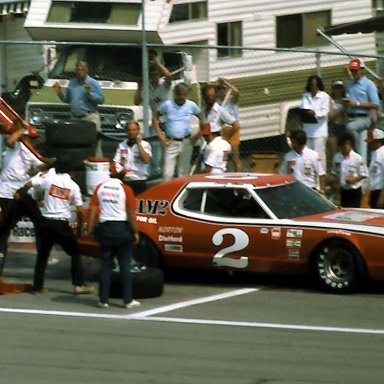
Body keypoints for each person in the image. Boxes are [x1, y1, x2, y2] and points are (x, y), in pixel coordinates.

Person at [15, 155, 95, 294]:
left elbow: (29, 184)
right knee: (75, 253)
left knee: (43, 255)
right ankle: (78, 285)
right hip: (61, 224)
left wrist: (19, 193)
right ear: (71, 171)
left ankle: (37, 286)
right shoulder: (73, 186)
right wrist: (81, 227)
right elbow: (80, 210)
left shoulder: (49, 179)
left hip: (45, 222)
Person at [87, 172, 141, 309]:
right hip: (121, 229)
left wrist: (90, 229)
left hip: (105, 228)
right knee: (125, 265)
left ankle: (103, 300)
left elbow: (93, 209)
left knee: (105, 265)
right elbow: (130, 212)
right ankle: (128, 300)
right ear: (122, 178)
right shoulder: (126, 189)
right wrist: (135, 231)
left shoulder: (100, 187)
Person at [0, 123, 48, 269]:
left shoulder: (30, 152)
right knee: (4, 230)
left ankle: (42, 261)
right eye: (30, 138)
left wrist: (49, 164)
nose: (32, 141)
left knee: (40, 223)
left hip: (23, 192)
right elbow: (9, 141)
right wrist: (21, 129)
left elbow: (40, 165)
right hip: (7, 192)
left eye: (33, 139)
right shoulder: (15, 147)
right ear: (23, 137)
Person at [52, 60, 105, 156]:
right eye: (78, 69)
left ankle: (97, 162)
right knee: (75, 142)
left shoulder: (93, 83)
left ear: (87, 70)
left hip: (90, 117)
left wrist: (89, 93)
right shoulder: (72, 83)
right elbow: (67, 99)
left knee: (95, 142)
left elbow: (101, 100)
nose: (80, 71)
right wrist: (59, 92)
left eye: (82, 69)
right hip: (75, 118)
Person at [153, 83, 203, 181]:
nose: (182, 97)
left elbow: (203, 119)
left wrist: (197, 135)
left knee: (183, 173)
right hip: (171, 142)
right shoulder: (167, 105)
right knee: (167, 174)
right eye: (180, 94)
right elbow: (155, 117)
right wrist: (160, 135)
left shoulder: (191, 105)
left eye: (184, 95)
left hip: (186, 141)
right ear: (175, 94)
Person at [342, 58, 380, 163]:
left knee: (350, 128)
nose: (354, 73)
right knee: (359, 146)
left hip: (364, 118)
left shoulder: (369, 84)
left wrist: (357, 104)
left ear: (362, 70)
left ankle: (356, 152)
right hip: (350, 117)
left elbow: (376, 104)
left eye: (356, 70)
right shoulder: (349, 83)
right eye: (352, 70)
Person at [110, 120, 152, 195]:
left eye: (134, 130)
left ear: (138, 131)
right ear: (126, 131)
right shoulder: (122, 145)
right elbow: (116, 162)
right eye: (129, 130)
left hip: (138, 180)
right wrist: (120, 171)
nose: (131, 132)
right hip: (125, 179)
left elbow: (146, 160)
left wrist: (139, 144)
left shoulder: (145, 145)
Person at [300, 75, 330, 170]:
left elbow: (325, 112)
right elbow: (303, 108)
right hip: (307, 130)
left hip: (319, 131)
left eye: (315, 85)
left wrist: (315, 113)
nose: (313, 87)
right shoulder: (305, 96)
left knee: (319, 155)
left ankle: (320, 179)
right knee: (307, 155)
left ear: (319, 85)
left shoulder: (324, 96)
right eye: (311, 85)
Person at [331, 130, 368, 208]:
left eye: (348, 144)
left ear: (351, 144)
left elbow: (364, 174)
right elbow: (334, 172)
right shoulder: (337, 157)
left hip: (354, 190)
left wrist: (353, 180)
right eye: (344, 144)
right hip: (343, 190)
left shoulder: (357, 158)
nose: (346, 146)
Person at [216, 77, 242, 172]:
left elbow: (236, 92)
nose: (221, 91)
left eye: (223, 88)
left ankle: (238, 177)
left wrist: (226, 83)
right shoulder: (217, 102)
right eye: (219, 89)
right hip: (223, 130)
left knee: (235, 158)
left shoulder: (231, 100)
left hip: (233, 129)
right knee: (222, 158)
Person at [328, 80, 347, 170]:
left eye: (340, 88)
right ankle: (334, 170)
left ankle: (343, 169)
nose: (338, 90)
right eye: (336, 88)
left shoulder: (346, 100)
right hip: (333, 126)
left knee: (344, 150)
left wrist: (338, 113)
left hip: (344, 127)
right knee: (333, 151)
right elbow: (330, 116)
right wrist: (340, 111)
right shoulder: (331, 101)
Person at [366, 128, 384, 208]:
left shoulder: (382, 153)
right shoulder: (376, 153)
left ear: (379, 141)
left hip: (380, 193)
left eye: (372, 142)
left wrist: (381, 198)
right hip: (374, 193)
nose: (369, 144)